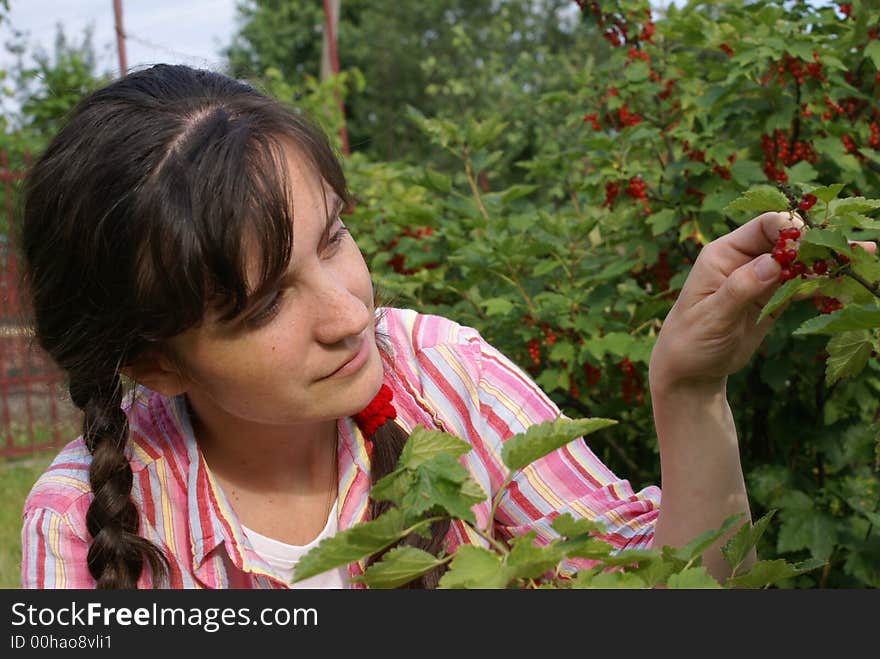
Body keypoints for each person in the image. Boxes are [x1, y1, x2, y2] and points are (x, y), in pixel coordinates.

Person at [17, 64, 861, 590]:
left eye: (336, 237)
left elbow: (683, 590)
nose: (352, 315)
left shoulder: (441, 373)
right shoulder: (81, 525)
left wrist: (690, 389)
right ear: (157, 363)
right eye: (267, 304)